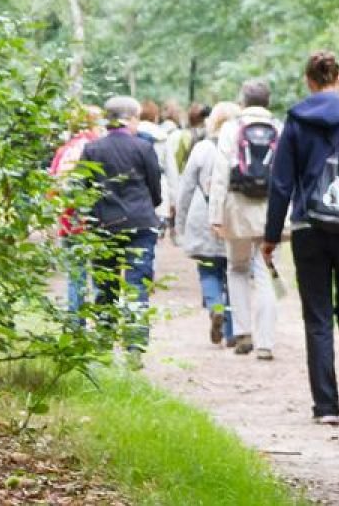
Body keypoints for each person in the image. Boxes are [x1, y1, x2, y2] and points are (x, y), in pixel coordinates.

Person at [264, 51, 339, 426]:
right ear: (338, 77)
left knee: (317, 316)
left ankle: (326, 406)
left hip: (308, 226)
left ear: (309, 80)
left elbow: (281, 184)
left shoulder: (295, 121)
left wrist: (270, 236)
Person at [81, 96, 167, 360]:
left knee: (105, 285)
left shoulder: (92, 150)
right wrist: (147, 207)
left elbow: (86, 189)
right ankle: (134, 346)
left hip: (104, 224)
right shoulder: (143, 147)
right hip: (140, 225)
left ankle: (104, 342)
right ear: (129, 119)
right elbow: (155, 187)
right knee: (136, 285)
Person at [209, 80, 282, 358]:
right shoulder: (279, 127)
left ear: (243, 101)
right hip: (270, 209)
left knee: (237, 268)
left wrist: (216, 214)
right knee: (266, 271)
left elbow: (220, 175)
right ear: (268, 101)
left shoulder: (231, 128)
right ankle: (266, 343)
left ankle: (242, 333)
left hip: (237, 208)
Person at [177, 102, 237, 347]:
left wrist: (179, 224)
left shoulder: (202, 148)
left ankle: (215, 307)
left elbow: (186, 188)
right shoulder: (238, 147)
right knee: (234, 274)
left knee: (208, 270)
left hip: (203, 218)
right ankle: (233, 331)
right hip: (233, 217)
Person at [51, 105, 103, 326]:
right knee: (101, 274)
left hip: (69, 219)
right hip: (98, 218)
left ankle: (75, 324)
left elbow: (52, 186)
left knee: (76, 275)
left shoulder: (64, 150)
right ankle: (103, 323)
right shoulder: (98, 146)